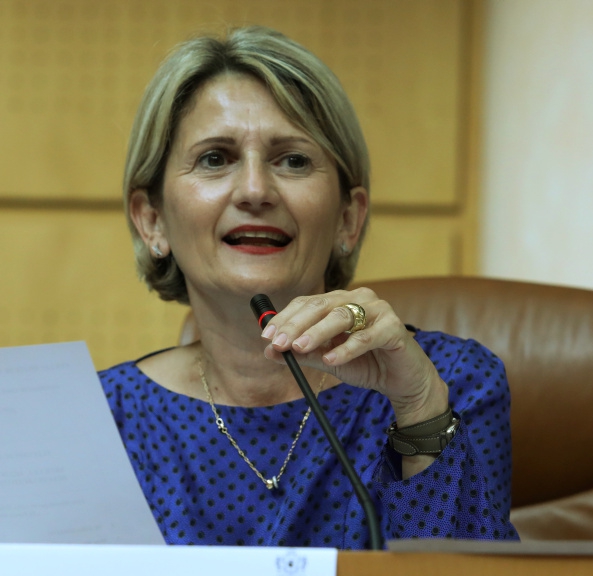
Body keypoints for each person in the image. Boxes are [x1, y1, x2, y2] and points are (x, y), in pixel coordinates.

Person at [99, 26, 518, 548]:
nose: (255, 190)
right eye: (215, 158)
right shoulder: (99, 419)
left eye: (293, 160)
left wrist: (419, 407)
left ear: (348, 218)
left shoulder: (452, 382)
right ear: (152, 220)